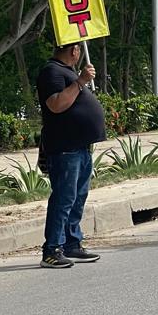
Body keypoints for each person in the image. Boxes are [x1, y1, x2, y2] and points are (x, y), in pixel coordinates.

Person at [36, 42, 106, 268]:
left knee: (77, 198)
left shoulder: (66, 71)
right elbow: (56, 104)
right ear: (74, 51)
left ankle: (72, 243)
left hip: (80, 148)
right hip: (65, 148)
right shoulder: (51, 72)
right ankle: (52, 250)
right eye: (78, 50)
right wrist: (80, 81)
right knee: (63, 199)